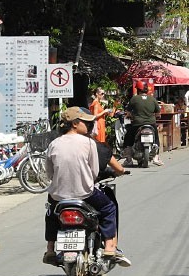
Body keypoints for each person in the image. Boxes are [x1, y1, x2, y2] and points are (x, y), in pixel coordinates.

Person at [44, 107, 130, 267]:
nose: (90, 126)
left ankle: (50, 249)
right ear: (75, 124)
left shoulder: (54, 144)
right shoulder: (89, 143)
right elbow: (94, 171)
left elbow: (49, 173)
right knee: (109, 207)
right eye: (86, 123)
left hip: (58, 196)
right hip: (85, 194)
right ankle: (110, 247)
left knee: (51, 214)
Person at [122, 81, 164, 166]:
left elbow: (128, 112)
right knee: (156, 139)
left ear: (138, 89)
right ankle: (156, 157)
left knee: (128, 138)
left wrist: (129, 116)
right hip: (151, 124)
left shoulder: (134, 99)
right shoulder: (152, 99)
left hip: (137, 124)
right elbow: (158, 113)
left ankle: (128, 159)